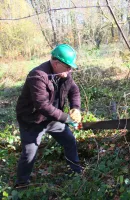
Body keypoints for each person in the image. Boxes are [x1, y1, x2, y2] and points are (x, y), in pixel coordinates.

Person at [15, 44, 82, 187]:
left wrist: (75, 108)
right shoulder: (37, 75)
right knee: (29, 153)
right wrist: (67, 118)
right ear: (56, 63)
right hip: (32, 120)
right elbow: (42, 106)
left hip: (52, 118)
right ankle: (21, 184)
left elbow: (74, 91)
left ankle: (75, 172)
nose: (70, 70)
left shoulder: (65, 74)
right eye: (67, 66)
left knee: (69, 141)